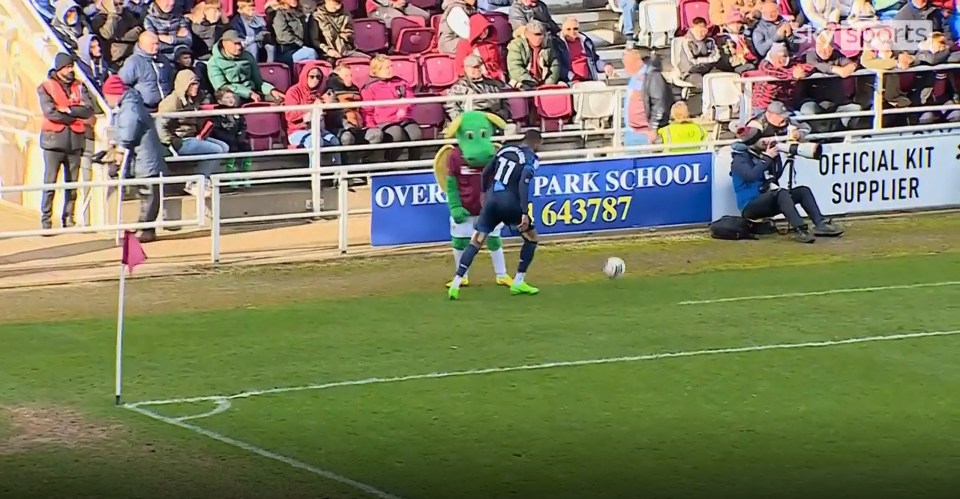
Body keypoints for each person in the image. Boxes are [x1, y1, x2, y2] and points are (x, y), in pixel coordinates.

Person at [448, 130, 543, 300]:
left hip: (492, 199)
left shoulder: (505, 149)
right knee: (532, 238)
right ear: (537, 144)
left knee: (476, 241)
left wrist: (484, 192)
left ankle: (455, 283)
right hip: (510, 203)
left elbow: (486, 172)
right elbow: (523, 183)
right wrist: (524, 212)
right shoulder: (531, 159)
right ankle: (518, 281)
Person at [434, 111, 513, 289]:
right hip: (465, 207)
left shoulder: (495, 155)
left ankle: (502, 275)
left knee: (494, 239)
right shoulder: (454, 157)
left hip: (487, 208)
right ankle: (462, 275)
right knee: (460, 241)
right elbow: (451, 184)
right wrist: (455, 206)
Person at [730, 126, 843, 243]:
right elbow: (751, 176)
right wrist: (767, 158)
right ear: (753, 142)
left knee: (802, 191)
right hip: (749, 206)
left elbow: (776, 174)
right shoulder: (738, 160)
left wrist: (776, 156)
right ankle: (800, 229)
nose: (767, 141)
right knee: (781, 193)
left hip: (766, 200)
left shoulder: (758, 154)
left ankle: (820, 224)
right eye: (763, 138)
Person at [101, 75, 166, 243]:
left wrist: (120, 150)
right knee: (145, 191)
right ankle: (144, 227)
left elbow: (129, 130)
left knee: (148, 191)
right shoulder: (130, 103)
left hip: (145, 156)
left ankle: (147, 229)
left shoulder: (130, 106)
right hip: (142, 155)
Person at [37, 53, 95, 231]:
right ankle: (46, 219)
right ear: (59, 68)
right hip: (53, 141)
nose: (71, 70)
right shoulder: (46, 87)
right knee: (50, 182)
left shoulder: (79, 86)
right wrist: (72, 117)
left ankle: (68, 218)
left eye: (72, 67)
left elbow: (88, 110)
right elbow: (50, 112)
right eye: (67, 67)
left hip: (75, 141)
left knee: (72, 184)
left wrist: (68, 109)